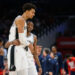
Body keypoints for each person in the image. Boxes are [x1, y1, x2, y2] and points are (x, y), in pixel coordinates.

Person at [5, 3, 37, 75]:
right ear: (27, 11)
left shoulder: (23, 21)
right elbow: (22, 39)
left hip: (20, 49)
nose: (34, 14)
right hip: (16, 50)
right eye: (32, 12)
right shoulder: (20, 19)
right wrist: (30, 45)